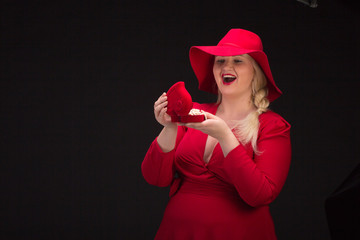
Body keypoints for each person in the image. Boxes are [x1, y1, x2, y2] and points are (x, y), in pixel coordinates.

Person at [141, 29, 291, 240]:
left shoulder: (272, 126)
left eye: (238, 61)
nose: (226, 67)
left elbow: (260, 195)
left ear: (256, 72)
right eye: (220, 61)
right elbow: (155, 177)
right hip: (177, 232)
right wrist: (169, 126)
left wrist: (225, 137)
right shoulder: (193, 112)